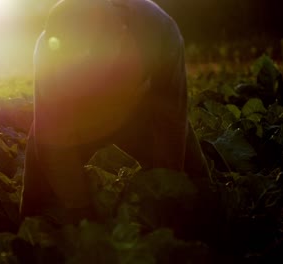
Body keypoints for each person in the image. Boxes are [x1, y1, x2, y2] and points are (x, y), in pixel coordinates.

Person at [19, 0, 209, 224]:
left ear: (119, 34)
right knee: (42, 214)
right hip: (72, 121)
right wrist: (80, 209)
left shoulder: (160, 33)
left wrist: (162, 195)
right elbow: (51, 138)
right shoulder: (48, 50)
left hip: (141, 115)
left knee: (195, 201)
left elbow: (170, 122)